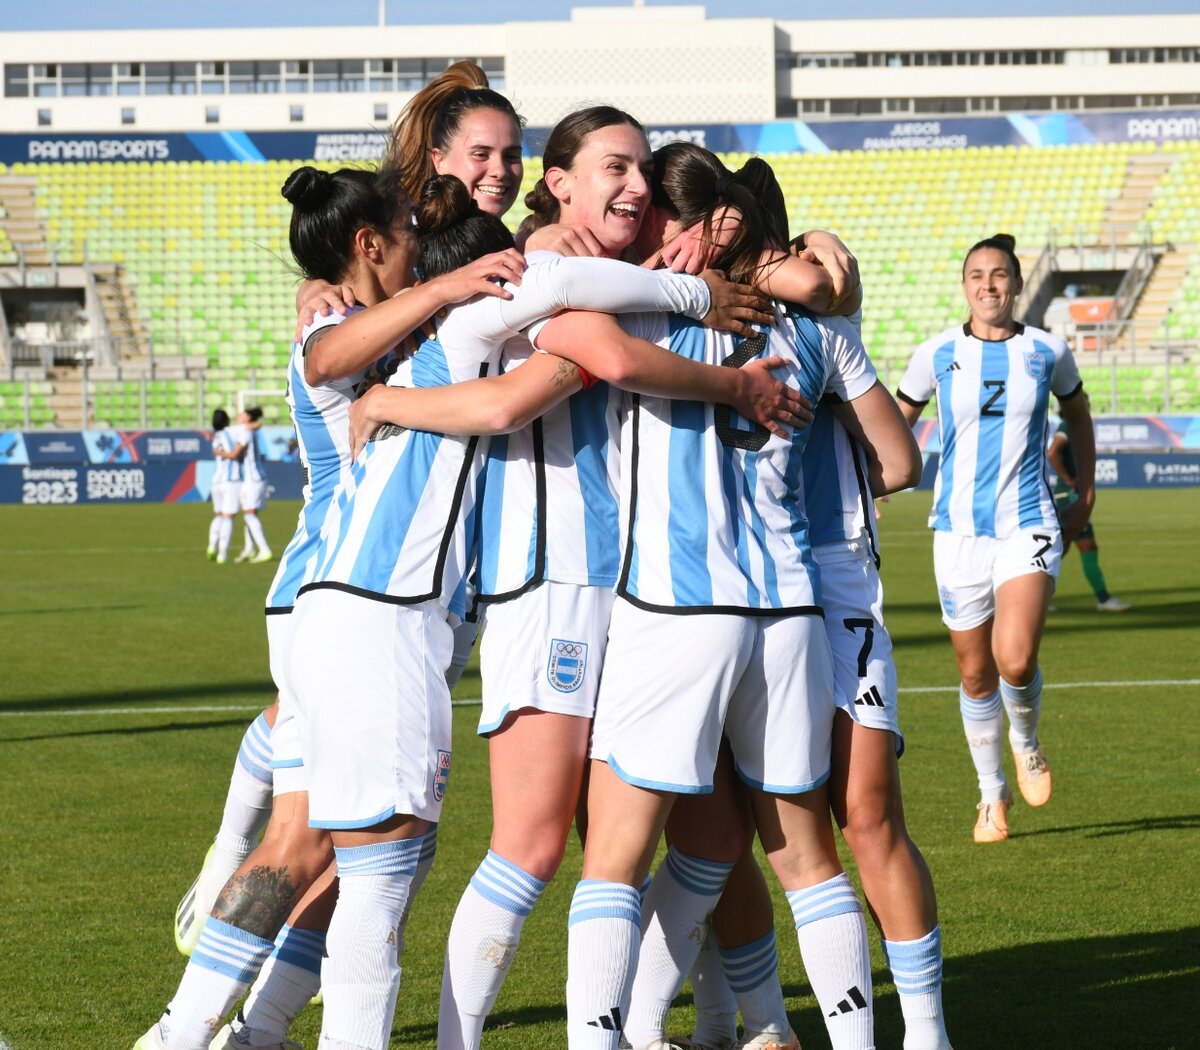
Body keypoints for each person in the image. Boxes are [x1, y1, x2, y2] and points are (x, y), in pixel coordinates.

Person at [526, 143, 921, 1050]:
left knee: (616, 859)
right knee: (808, 860)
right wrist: (813, 260)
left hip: (675, 611)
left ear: (692, 222)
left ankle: (600, 1039)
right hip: (788, 615)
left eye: (653, 213)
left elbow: (546, 313)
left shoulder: (631, 313)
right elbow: (897, 462)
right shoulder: (814, 330)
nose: (639, 228)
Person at [897, 233, 1095, 843]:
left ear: (1015, 283)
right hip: (957, 531)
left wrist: (1084, 494)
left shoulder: (1047, 350)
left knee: (1015, 657)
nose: (989, 285)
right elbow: (895, 422)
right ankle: (991, 794)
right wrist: (869, 484)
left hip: (1028, 521)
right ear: (965, 287)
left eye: (1000, 275)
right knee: (975, 672)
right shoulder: (934, 354)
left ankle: (1027, 742)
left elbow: (1078, 414)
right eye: (977, 275)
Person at [1047, 395, 1129, 612]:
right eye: (1084, 402)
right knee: (1074, 546)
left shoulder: (1072, 426)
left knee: (1068, 547)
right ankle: (1103, 599)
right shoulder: (1067, 426)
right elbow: (1052, 452)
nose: (1087, 406)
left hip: (1071, 495)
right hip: (1069, 497)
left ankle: (1039, 597)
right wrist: (1067, 479)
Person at [234, 407, 274, 564]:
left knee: (249, 514)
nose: (239, 416)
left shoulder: (245, 431)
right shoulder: (245, 430)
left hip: (253, 478)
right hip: (253, 477)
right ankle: (249, 548)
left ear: (248, 418)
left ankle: (264, 549)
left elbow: (236, 452)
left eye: (243, 414)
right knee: (250, 514)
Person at [207, 408, 243, 564]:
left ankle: (211, 546)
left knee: (219, 515)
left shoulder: (215, 437)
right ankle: (223, 553)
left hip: (216, 481)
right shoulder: (229, 433)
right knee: (228, 517)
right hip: (231, 481)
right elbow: (233, 452)